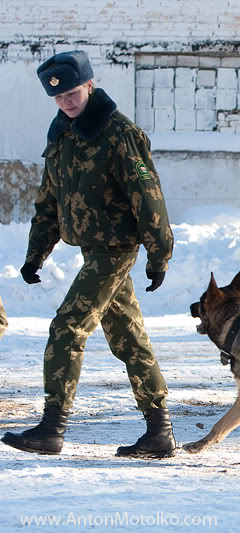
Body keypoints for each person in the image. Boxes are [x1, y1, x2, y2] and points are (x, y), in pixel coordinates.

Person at [1, 50, 177, 458]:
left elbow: (148, 197)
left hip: (115, 250)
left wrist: (159, 252)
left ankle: (52, 427)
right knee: (128, 337)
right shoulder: (61, 133)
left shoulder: (119, 132)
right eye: (59, 97)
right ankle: (159, 431)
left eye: (73, 93)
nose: (67, 101)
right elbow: (48, 199)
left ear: (90, 84)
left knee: (67, 328)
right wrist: (35, 253)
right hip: (91, 250)